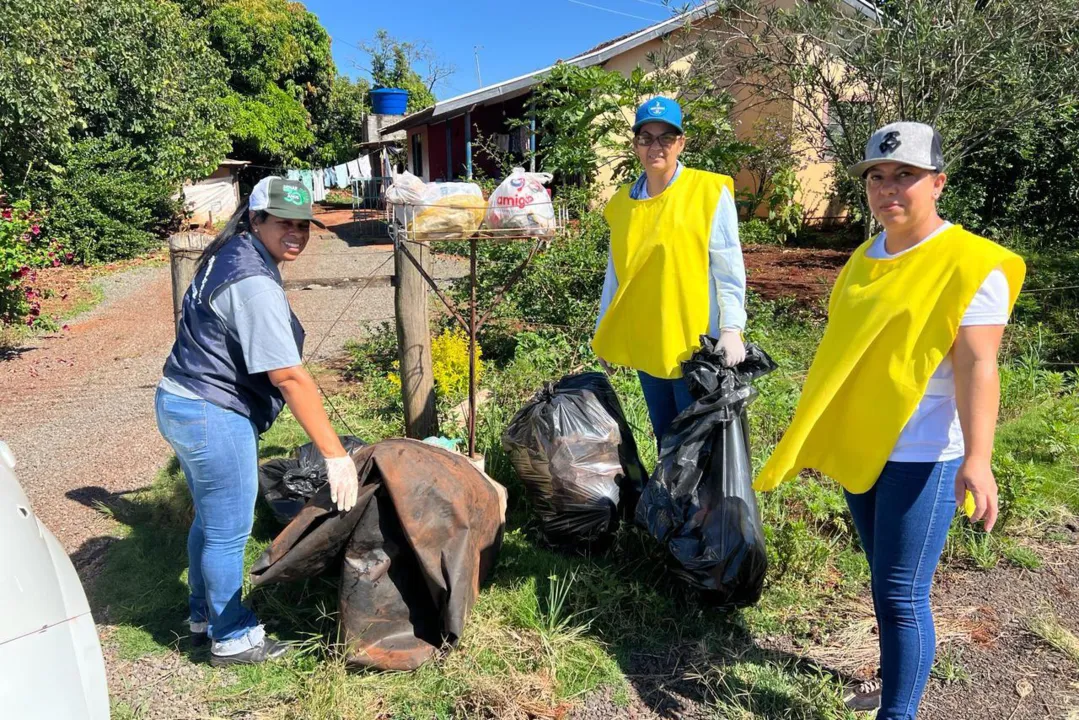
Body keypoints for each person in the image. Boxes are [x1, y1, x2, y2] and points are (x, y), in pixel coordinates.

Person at [755, 122, 1026, 717]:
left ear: (938, 182)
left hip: (926, 454)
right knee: (884, 583)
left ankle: (897, 712)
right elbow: (842, 359)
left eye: (906, 174)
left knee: (903, 595)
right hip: (864, 448)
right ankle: (895, 682)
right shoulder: (863, 257)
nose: (888, 187)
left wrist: (978, 461)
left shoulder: (973, 263)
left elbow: (980, 367)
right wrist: (816, 437)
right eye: (877, 176)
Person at [155, 176, 360, 666]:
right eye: (283, 223)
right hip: (211, 412)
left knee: (211, 518)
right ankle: (232, 636)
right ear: (255, 218)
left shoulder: (231, 253)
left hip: (181, 400)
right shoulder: (250, 280)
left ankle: (202, 615)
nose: (296, 233)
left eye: (303, 225)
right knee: (229, 530)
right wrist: (335, 456)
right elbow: (289, 376)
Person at [592, 96, 747, 446]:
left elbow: (728, 265)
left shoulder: (707, 192)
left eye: (666, 137)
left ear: (681, 142)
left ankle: (700, 504)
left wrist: (732, 328)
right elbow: (615, 274)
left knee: (699, 445)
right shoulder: (622, 204)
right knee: (666, 439)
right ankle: (670, 502)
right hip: (649, 342)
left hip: (696, 347)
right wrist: (606, 328)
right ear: (635, 145)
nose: (655, 147)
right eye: (646, 137)